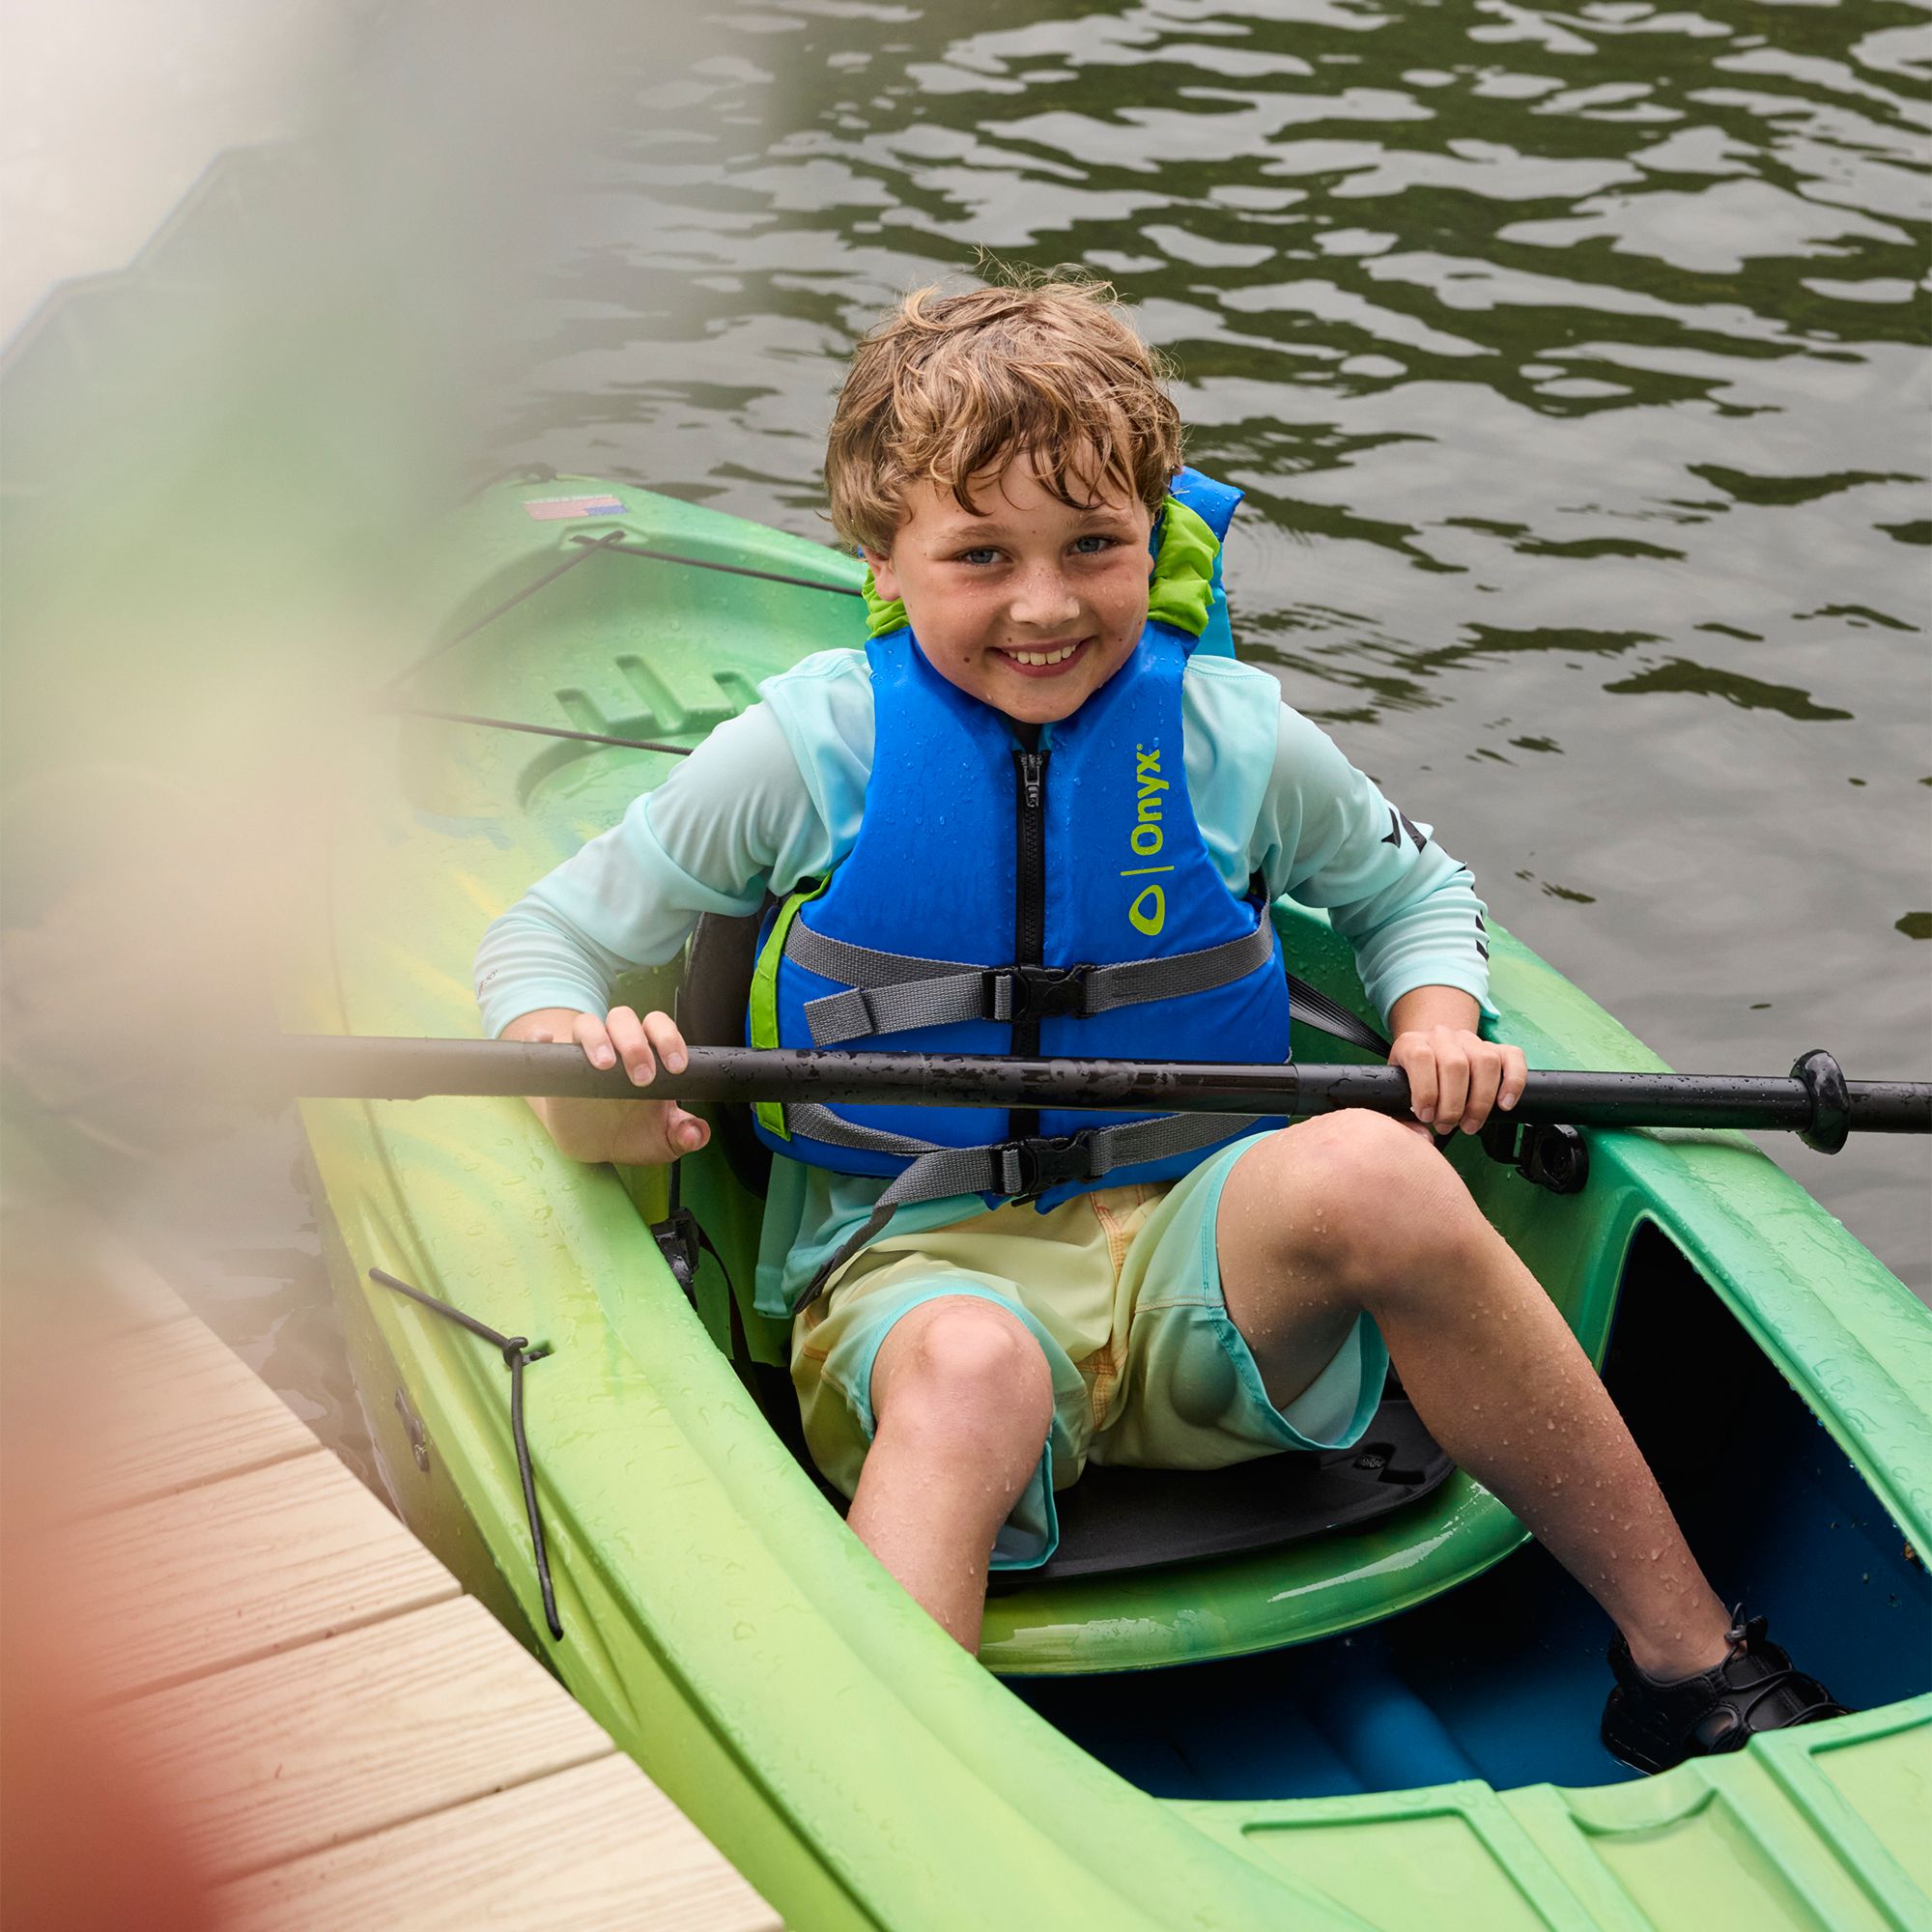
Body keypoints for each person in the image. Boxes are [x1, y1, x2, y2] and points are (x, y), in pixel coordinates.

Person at [474, 275, 1842, 1773]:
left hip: (1206, 1283)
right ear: (885, 554)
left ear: (1151, 536)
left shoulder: (1231, 739)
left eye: (1095, 547)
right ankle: (894, 1782)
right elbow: (553, 935)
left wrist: (1438, 1013)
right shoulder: (815, 745)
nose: (1046, 604)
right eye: (980, 555)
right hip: (917, 1292)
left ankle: (1690, 1665)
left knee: (1383, 1170)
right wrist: (564, 1044)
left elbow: (1416, 895)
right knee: (975, 1370)